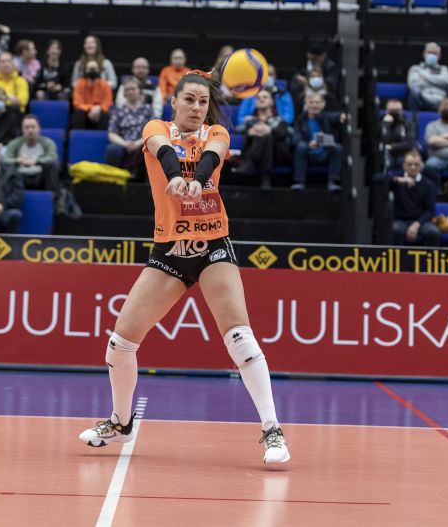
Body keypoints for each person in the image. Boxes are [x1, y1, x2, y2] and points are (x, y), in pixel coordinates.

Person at [77, 70, 290, 465]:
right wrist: (175, 177)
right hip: (169, 250)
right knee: (120, 344)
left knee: (240, 337)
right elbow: (162, 151)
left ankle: (272, 429)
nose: (196, 107)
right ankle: (121, 423)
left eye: (203, 102)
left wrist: (198, 181)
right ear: (173, 102)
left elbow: (212, 156)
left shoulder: (217, 133)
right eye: (189, 100)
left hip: (212, 245)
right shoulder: (155, 127)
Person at [235, 88, 290, 190]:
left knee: (267, 136)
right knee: (262, 136)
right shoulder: (250, 122)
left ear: (272, 102)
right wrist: (249, 133)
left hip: (276, 157)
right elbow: (242, 136)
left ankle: (250, 163)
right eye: (258, 98)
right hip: (259, 156)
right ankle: (266, 176)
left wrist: (270, 130)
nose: (261, 99)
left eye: (265, 97)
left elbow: (282, 135)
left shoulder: (279, 120)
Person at [292, 92, 346, 192]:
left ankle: (333, 182)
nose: (314, 105)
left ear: (322, 105)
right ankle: (299, 182)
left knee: (338, 148)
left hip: (324, 153)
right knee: (301, 146)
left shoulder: (326, 117)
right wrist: (309, 144)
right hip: (308, 153)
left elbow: (337, 115)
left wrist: (342, 115)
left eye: (317, 102)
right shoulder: (301, 120)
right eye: (311, 102)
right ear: (306, 104)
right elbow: (295, 138)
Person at [106, 77, 153, 180]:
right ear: (124, 93)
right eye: (127, 89)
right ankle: (115, 182)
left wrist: (137, 143)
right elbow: (111, 133)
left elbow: (152, 132)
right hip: (122, 143)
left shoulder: (148, 109)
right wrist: (125, 144)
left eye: (133, 89)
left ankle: (142, 184)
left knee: (148, 149)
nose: (130, 91)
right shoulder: (118, 110)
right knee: (112, 150)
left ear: (140, 91)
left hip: (142, 143)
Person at [390, 150, 439, 247]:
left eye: (416, 165)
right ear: (404, 166)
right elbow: (377, 178)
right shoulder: (398, 180)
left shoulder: (428, 185)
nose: (413, 167)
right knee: (395, 230)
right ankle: (397, 256)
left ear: (421, 166)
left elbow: (430, 210)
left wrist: (416, 225)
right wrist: (398, 180)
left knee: (433, 232)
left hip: (421, 221)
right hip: (401, 220)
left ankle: (428, 257)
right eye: (409, 164)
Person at [3, 114, 60, 193]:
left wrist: (36, 161)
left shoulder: (48, 143)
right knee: (8, 169)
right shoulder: (14, 143)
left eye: (33, 127)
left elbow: (52, 157)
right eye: (27, 128)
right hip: (20, 176)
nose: (30, 131)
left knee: (51, 166)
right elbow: (5, 159)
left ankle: (53, 197)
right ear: (22, 130)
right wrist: (18, 160)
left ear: (39, 128)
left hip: (40, 176)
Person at [407, 42, 448, 113]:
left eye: (435, 53)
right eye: (430, 52)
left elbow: (446, 81)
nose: (432, 55)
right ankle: (414, 118)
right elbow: (412, 85)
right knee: (414, 91)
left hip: (440, 101)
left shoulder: (444, 69)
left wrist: (425, 77)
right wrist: (438, 81)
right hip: (422, 100)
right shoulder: (415, 69)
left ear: (439, 56)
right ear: (424, 54)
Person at [71, 59, 112, 130]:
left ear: (99, 70)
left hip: (99, 115)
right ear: (86, 70)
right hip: (84, 115)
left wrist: (99, 108)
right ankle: (79, 136)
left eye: (94, 69)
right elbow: (77, 104)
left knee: (105, 115)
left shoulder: (105, 85)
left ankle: (102, 136)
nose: (92, 71)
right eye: (90, 69)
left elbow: (107, 103)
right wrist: (92, 108)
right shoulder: (79, 84)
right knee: (78, 114)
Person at [377, 98, 416, 172]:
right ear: (386, 111)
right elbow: (381, 142)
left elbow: (410, 143)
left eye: (397, 111)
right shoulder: (380, 123)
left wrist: (392, 147)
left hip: (403, 153)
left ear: (402, 111)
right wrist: (386, 125)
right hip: (385, 154)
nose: (394, 114)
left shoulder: (408, 123)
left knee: (409, 160)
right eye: (392, 111)